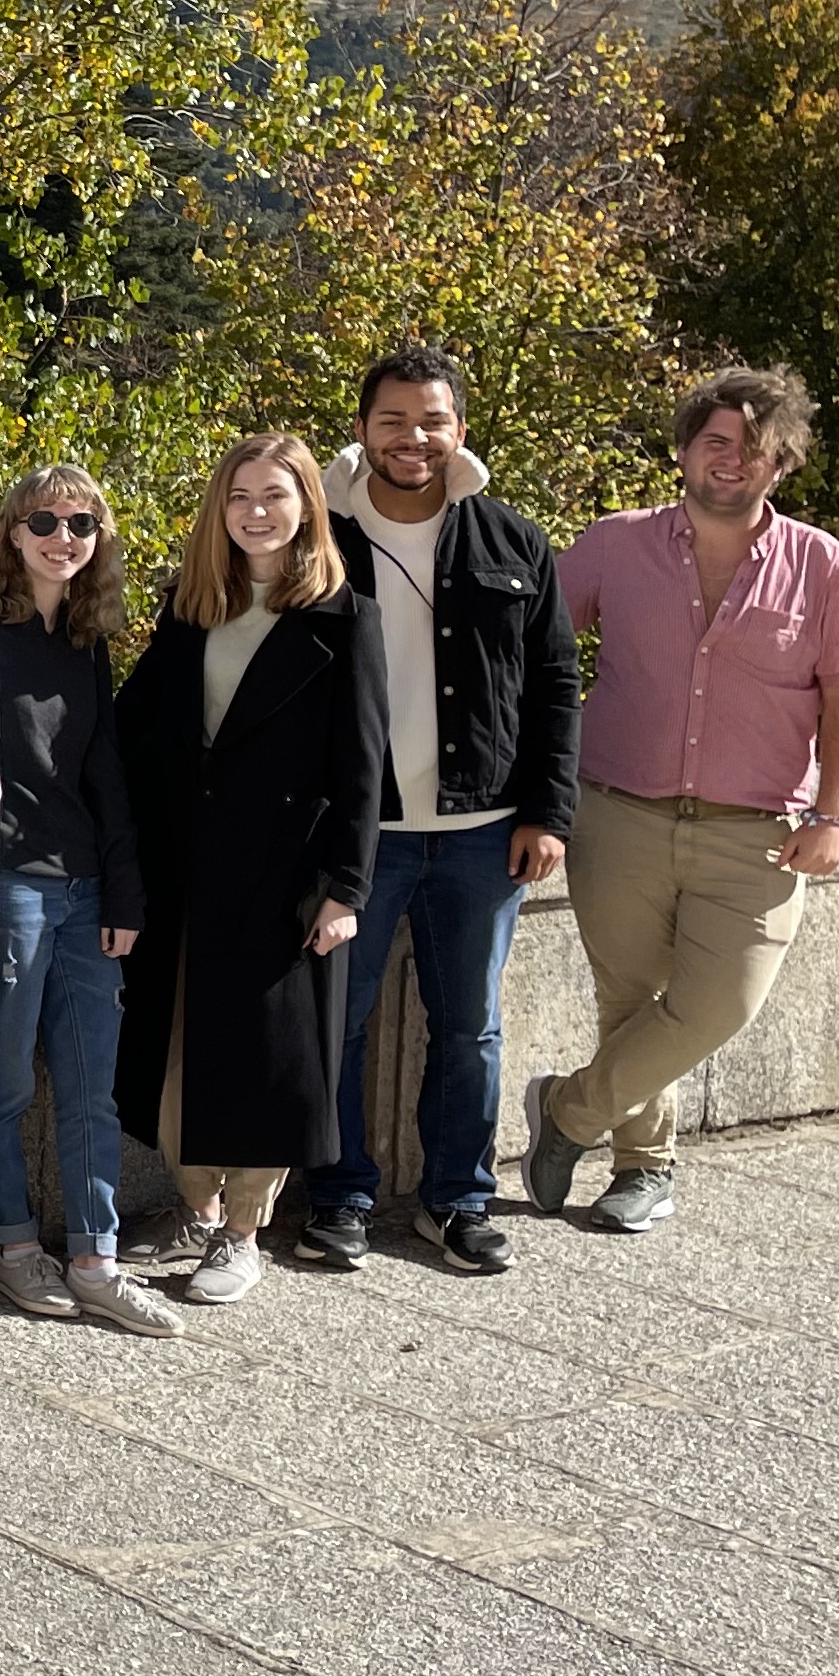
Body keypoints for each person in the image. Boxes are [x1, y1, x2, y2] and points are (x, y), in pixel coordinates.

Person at [525, 367, 839, 1236]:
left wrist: (834, 816)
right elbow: (534, 649)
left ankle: (569, 1112)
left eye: (755, 448)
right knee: (630, 998)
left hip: (758, 833)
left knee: (723, 1001)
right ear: (686, 450)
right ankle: (643, 1169)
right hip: (617, 812)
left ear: (782, 464)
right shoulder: (615, 545)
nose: (733, 460)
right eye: (716, 441)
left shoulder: (824, 568)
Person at [301, 347, 581, 1276]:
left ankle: (456, 1199)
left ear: (459, 429)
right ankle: (337, 1196)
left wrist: (549, 812)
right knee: (339, 1022)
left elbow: (554, 684)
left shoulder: (512, 541)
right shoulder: (319, 542)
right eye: (392, 421)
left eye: (431, 421)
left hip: (481, 833)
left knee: (471, 1026)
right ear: (362, 428)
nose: (412, 439)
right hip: (358, 835)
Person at [113, 432, 388, 1307]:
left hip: (286, 875)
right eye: (239, 498)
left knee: (274, 1063)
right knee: (178, 1054)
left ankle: (243, 1232)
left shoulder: (346, 617)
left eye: (275, 495)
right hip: (185, 865)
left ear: (308, 504)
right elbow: (136, 728)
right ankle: (197, 1205)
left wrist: (346, 888)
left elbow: (363, 766)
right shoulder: (194, 605)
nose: (256, 513)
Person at [0, 466, 174, 1336]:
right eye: (43, 519)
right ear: (13, 533)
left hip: (87, 895)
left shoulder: (88, 638)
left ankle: (96, 1259)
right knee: (2, 1079)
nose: (62, 535)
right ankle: (14, 1249)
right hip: (7, 890)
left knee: (94, 1087)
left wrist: (126, 890)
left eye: (81, 523)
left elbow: (105, 774)